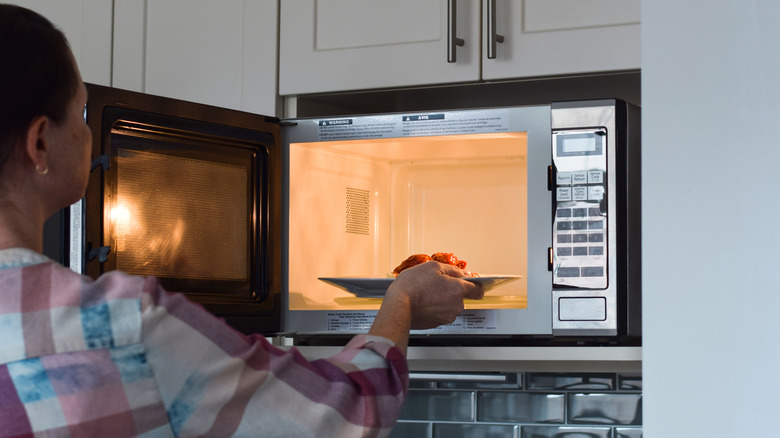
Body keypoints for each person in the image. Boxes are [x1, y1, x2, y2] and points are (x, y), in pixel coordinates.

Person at [0, 4, 483, 437]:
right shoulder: (122, 325)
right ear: (40, 142)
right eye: (80, 114)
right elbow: (341, 415)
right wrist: (401, 301)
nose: (89, 135)